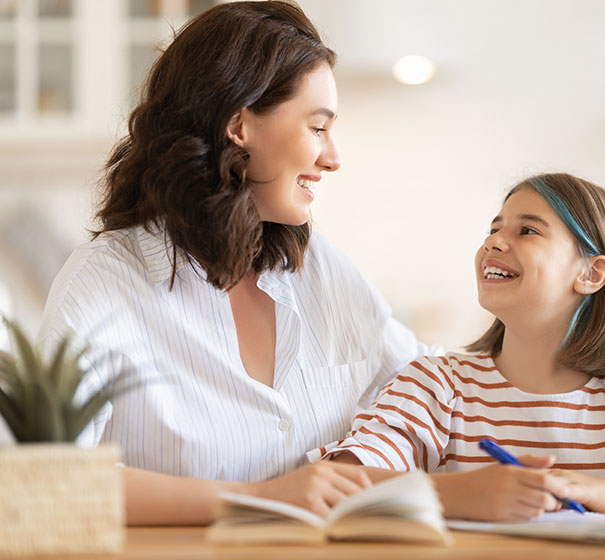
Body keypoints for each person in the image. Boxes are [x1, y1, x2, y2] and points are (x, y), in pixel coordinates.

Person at [36, 1, 429, 525]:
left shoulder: (316, 268)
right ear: (240, 126)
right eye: (317, 128)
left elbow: (427, 385)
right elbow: (39, 475)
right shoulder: (107, 281)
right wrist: (259, 497)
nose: (333, 157)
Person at [312, 173, 605, 521]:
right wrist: (457, 493)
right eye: (494, 229)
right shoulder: (437, 385)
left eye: (527, 230)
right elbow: (338, 483)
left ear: (590, 274)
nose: (493, 242)